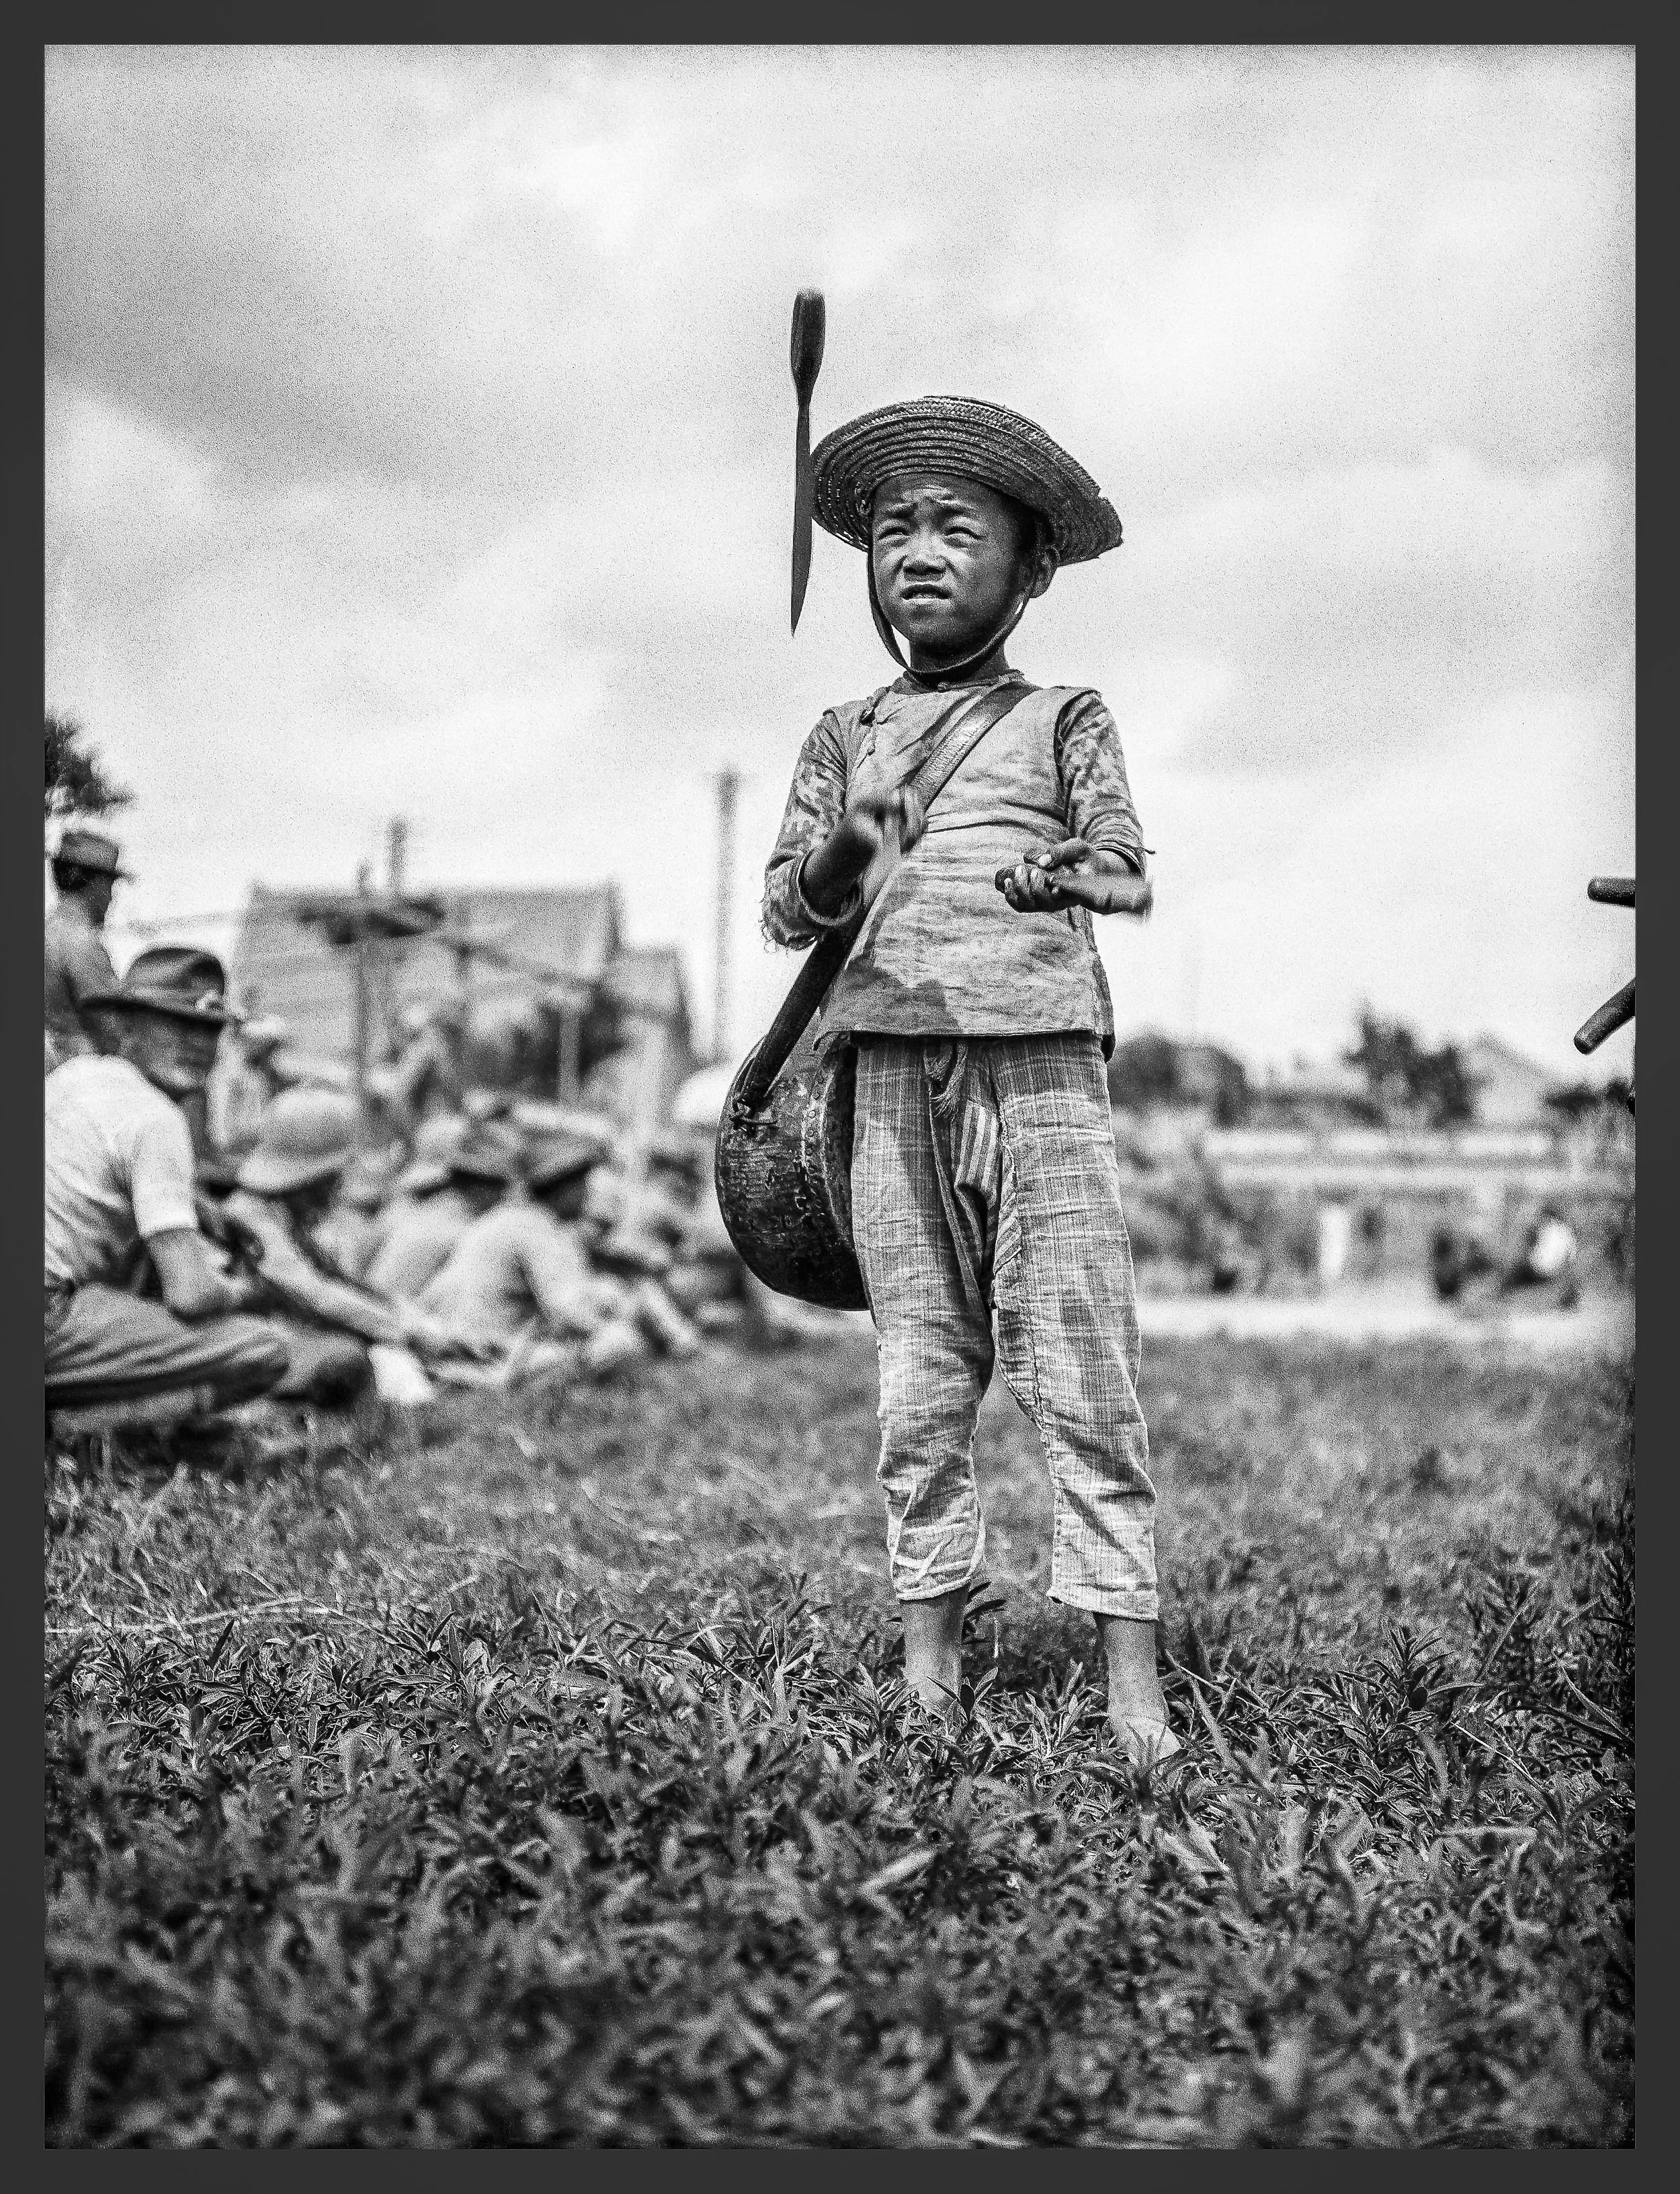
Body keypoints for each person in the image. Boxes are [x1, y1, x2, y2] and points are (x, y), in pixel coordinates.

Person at [760, 393, 1173, 1762]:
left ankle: (1132, 1684)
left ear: (1031, 566)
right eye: (894, 531)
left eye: (955, 529)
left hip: (1044, 1065)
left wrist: (1070, 872)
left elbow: (1127, 871)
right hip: (885, 1073)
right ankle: (929, 1659)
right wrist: (853, 843)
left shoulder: (1064, 716)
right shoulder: (845, 733)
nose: (918, 555)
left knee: (1081, 1363)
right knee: (920, 1376)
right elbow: (789, 911)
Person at [45, 947, 289, 1434]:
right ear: (125, 1026)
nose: (197, 1042)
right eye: (176, 1022)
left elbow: (102, 1157)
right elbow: (191, 1295)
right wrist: (242, 1291)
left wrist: (200, 1206)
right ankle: (70, 1429)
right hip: (47, 1314)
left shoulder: (72, 1078)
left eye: (210, 1028)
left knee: (138, 1262)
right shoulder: (158, 1118)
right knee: (263, 1349)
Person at [226, 1090, 450, 1406]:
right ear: (315, 1176)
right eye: (335, 1175)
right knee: (349, 1358)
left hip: (278, 1335)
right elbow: (315, 1294)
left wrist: (407, 1316)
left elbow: (337, 1279)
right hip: (252, 1347)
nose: (338, 1185)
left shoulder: (285, 1214)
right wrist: (405, 1330)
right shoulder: (250, 1218)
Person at [420, 1130, 655, 1384]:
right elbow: (567, 1309)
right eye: (583, 1184)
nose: (587, 1193)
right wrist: (619, 1313)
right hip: (490, 1354)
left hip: (455, 1344)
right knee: (620, 1341)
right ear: (567, 1187)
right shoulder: (538, 1229)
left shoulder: (510, 1218)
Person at [364, 1116, 516, 1301]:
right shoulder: (455, 1231)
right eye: (500, 1188)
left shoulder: (419, 1213)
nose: (502, 1197)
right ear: (481, 1188)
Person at [44, 827, 127, 1069]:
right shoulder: (82, 943)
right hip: (77, 1072)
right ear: (93, 884)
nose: (111, 898)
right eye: (109, 885)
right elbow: (112, 1031)